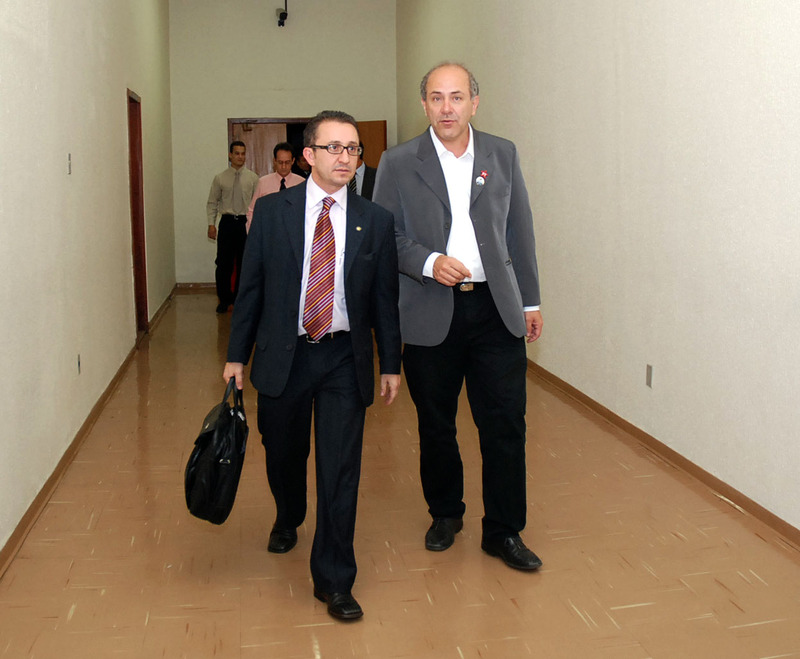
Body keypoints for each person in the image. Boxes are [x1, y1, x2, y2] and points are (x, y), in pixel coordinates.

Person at [223, 110, 401, 620]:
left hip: (344, 356)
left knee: (340, 468)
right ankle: (289, 512)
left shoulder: (375, 219)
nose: (345, 157)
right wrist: (236, 355)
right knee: (283, 450)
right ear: (308, 154)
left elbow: (384, 299)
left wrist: (390, 362)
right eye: (333, 147)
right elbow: (251, 288)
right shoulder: (273, 212)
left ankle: (335, 579)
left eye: (353, 149)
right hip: (286, 353)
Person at [372, 63, 543, 571]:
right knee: (436, 424)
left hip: (495, 310)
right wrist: (428, 261)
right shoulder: (398, 162)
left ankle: (504, 530)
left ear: (474, 102)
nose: (447, 107)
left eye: (457, 96)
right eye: (436, 97)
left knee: (505, 423)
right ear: (424, 104)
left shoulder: (502, 153)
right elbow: (386, 235)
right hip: (430, 310)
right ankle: (445, 513)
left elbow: (519, 230)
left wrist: (530, 302)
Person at [207, 141, 259, 313]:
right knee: (224, 263)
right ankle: (224, 299)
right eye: (237, 153)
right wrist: (211, 224)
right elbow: (212, 202)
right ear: (230, 155)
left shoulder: (253, 178)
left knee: (244, 263)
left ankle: (239, 300)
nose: (240, 157)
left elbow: (256, 205)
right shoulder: (220, 178)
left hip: (245, 223)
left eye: (243, 153)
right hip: (227, 223)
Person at [245, 142, 305, 231]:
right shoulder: (263, 182)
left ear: (293, 161)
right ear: (274, 161)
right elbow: (252, 211)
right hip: (269, 231)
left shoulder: (301, 183)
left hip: (294, 232)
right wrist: (254, 233)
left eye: (287, 162)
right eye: (280, 162)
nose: (283, 166)